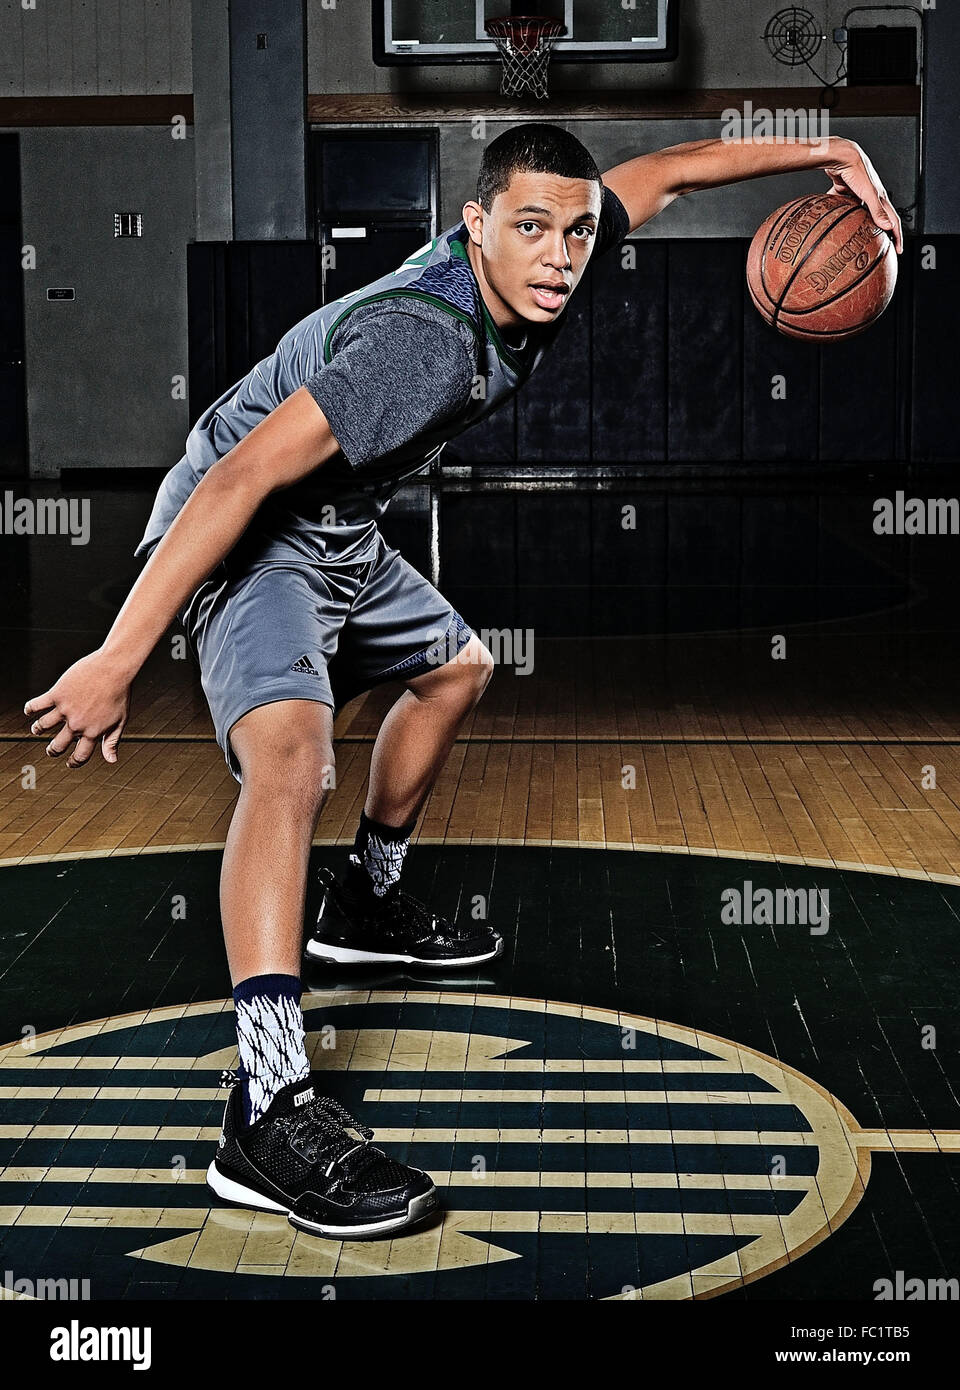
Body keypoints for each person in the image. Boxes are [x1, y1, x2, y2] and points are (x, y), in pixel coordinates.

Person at [23, 124, 902, 1240]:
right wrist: (117, 654)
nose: (560, 255)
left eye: (577, 232)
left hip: (338, 524)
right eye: (531, 228)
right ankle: (267, 1107)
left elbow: (674, 172)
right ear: (475, 225)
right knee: (291, 762)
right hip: (254, 532)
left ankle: (368, 897)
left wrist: (834, 149)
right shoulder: (421, 345)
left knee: (457, 667)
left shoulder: (552, 256)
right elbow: (242, 476)